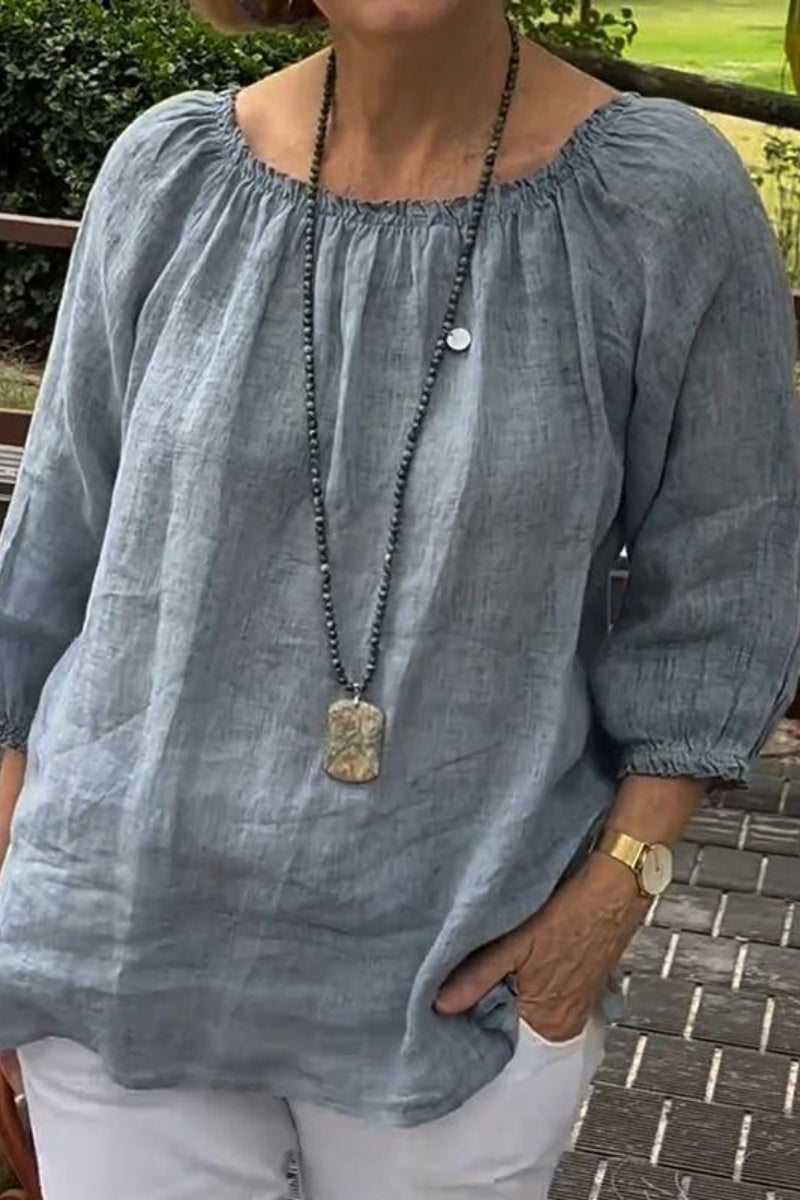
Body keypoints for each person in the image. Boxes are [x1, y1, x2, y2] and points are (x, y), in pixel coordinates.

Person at [0, 0, 798, 1196]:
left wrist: (615, 890)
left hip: (455, 985)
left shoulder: (656, 204)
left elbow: (726, 580)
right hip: (117, 952)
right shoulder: (168, 175)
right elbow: (49, 553)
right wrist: (17, 869)